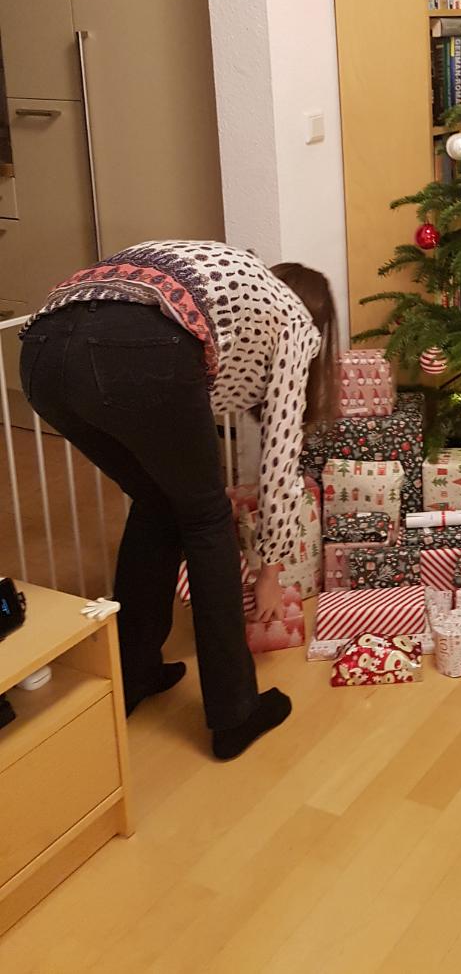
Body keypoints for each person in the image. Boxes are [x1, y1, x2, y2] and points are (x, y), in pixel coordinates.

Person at [19, 242, 339, 761]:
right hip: (133, 346)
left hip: (41, 350)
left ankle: (135, 673)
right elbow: (281, 458)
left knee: (158, 503)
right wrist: (270, 571)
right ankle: (235, 714)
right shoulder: (296, 321)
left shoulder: (232, 291)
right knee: (207, 518)